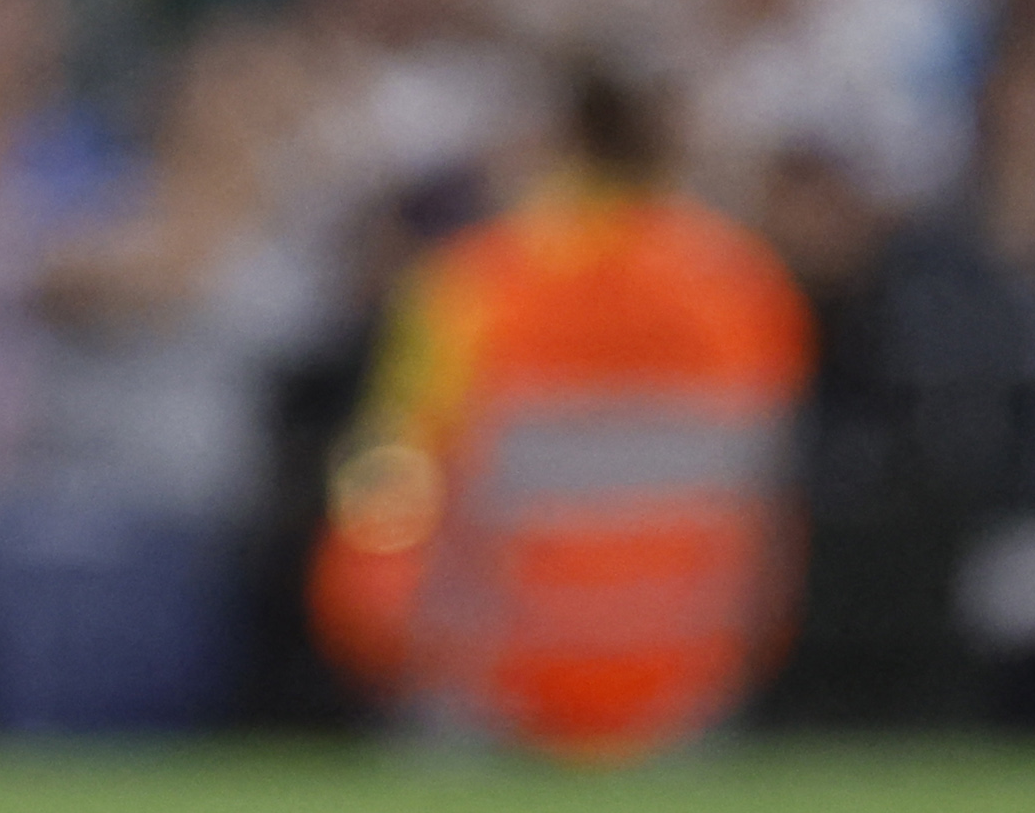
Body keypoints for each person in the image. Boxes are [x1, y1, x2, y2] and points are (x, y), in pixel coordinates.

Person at [311, 70, 812, 762]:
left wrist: (374, 641)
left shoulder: (472, 286)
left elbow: (384, 490)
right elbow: (771, 509)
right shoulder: (746, 288)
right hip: (684, 687)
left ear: (553, 141)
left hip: (490, 683)